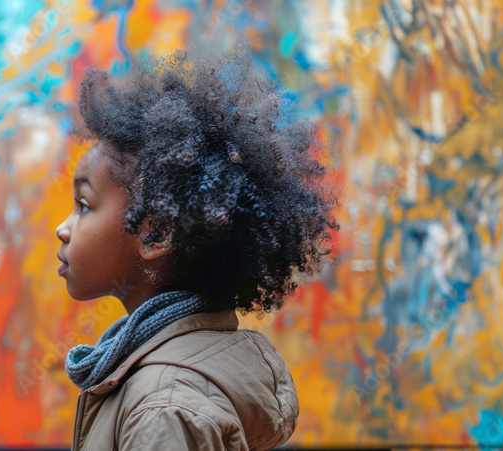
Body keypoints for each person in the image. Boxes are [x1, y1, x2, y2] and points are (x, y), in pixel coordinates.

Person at [55, 47, 339, 450]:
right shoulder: (166, 374)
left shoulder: (164, 408)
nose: (62, 229)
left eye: (84, 206)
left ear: (155, 235)